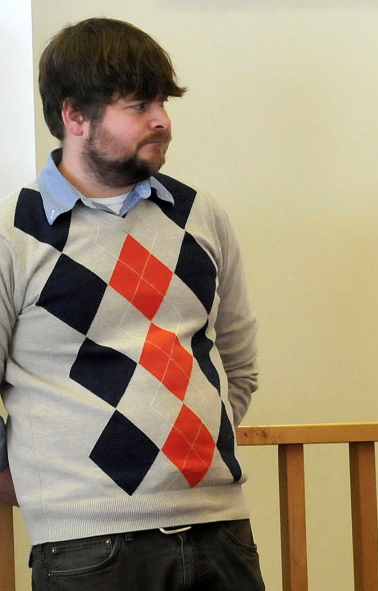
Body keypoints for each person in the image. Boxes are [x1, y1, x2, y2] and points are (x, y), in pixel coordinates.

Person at [0, 18, 263, 589]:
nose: (162, 119)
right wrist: (28, 478)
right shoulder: (13, 234)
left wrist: (187, 459)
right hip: (86, 545)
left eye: (163, 102)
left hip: (222, 533)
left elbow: (239, 366)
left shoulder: (201, 216)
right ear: (74, 116)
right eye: (139, 104)